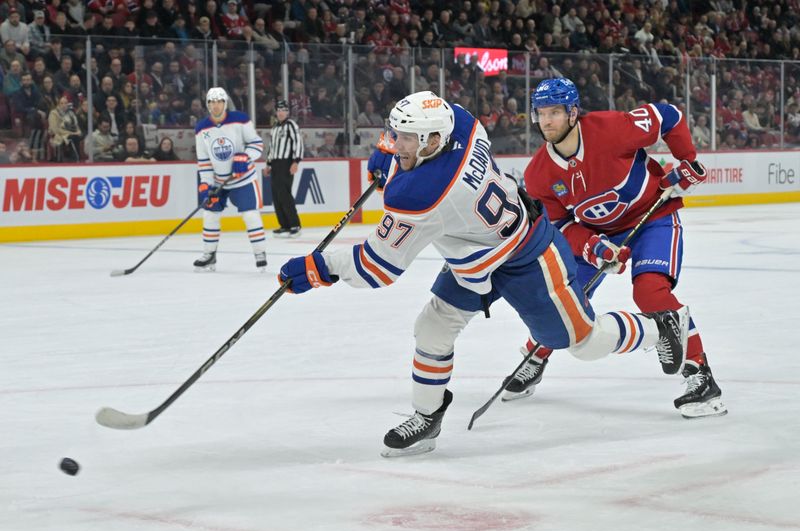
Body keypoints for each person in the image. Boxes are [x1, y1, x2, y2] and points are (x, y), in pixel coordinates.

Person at [278, 91, 690, 457]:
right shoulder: (463, 124)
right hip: (474, 259)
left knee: (581, 342)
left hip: (527, 257)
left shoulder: (423, 195)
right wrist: (392, 152)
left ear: (432, 142)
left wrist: (318, 269)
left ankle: (660, 326)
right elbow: (430, 128)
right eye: (396, 134)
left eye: (406, 138)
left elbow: (376, 268)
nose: (396, 141)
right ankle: (427, 417)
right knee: (432, 328)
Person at [502, 78, 726, 419]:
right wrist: (592, 246)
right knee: (565, 298)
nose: (546, 121)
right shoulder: (538, 174)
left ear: (573, 112)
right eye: (541, 113)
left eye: (555, 112)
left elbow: (668, 116)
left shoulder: (611, 128)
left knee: (651, 293)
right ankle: (536, 355)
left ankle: (700, 377)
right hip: (600, 233)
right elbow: (560, 226)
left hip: (654, 217)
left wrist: (687, 161)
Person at [194, 86, 267, 272]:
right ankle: (209, 255)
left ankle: (260, 253)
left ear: (225, 103)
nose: (215, 105)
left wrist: (245, 156)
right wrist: (205, 184)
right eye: (211, 102)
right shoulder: (202, 128)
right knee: (209, 215)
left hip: (243, 179)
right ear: (207, 105)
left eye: (219, 101)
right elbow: (203, 161)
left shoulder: (240, 120)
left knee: (250, 215)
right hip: (218, 181)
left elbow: (257, 144)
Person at [265, 99, 303, 237]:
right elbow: (272, 147)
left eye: (284, 110)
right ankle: (284, 225)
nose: (281, 113)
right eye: (279, 110)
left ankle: (295, 224)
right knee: (276, 195)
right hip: (275, 163)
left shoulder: (291, 125)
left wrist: (295, 161)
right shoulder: (274, 127)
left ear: (288, 112)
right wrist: (268, 164)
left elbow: (298, 143)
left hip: (286, 163)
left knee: (285, 194)